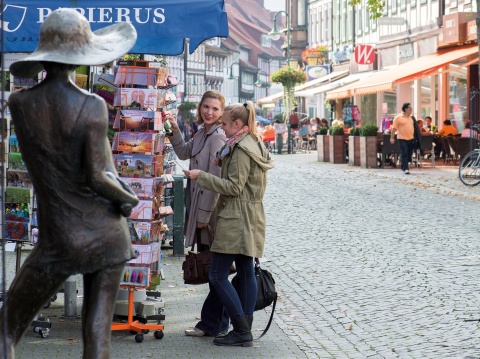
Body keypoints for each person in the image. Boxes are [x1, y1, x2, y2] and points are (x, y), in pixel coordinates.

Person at [2, 9, 139, 359]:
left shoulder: (19, 103)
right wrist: (128, 199)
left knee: (6, 331)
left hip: (57, 238)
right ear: (81, 56)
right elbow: (98, 176)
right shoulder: (92, 106)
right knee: (97, 337)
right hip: (107, 235)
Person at [183, 101, 274, 347]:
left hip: (237, 216)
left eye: (224, 123)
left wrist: (201, 177)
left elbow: (234, 187)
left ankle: (242, 329)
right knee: (245, 272)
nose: (221, 128)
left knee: (217, 275)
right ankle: (243, 331)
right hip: (249, 215)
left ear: (237, 124)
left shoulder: (241, 148)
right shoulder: (249, 142)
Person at [166, 90, 229, 338]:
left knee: (213, 268)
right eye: (206, 107)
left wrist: (203, 216)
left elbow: (216, 181)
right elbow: (183, 152)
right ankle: (215, 322)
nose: (209, 112)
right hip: (201, 206)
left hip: (209, 212)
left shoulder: (217, 138)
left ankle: (213, 323)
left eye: (214, 109)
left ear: (222, 112)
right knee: (213, 267)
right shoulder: (203, 132)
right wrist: (172, 128)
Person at [390, 103, 422, 174]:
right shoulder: (398, 117)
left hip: (411, 138)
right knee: (404, 152)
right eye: (410, 108)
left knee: (409, 153)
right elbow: (394, 129)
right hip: (402, 138)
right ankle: (406, 168)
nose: (411, 109)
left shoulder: (412, 118)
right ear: (406, 109)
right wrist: (392, 138)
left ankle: (403, 165)